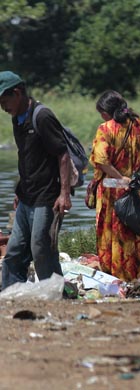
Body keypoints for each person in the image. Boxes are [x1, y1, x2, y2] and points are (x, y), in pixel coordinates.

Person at [0, 71, 72, 289]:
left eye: (5, 101)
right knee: (14, 250)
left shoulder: (42, 116)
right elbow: (26, 157)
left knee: (41, 246)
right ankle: (11, 292)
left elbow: (63, 155)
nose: (3, 107)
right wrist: (18, 190)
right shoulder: (17, 119)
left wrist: (64, 193)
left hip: (47, 195)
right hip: (27, 195)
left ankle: (54, 292)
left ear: (18, 93)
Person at [91, 90, 140, 284]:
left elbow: (102, 161)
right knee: (138, 231)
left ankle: (118, 277)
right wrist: (138, 176)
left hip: (113, 192)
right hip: (139, 190)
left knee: (115, 234)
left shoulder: (106, 129)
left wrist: (122, 179)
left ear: (107, 112)